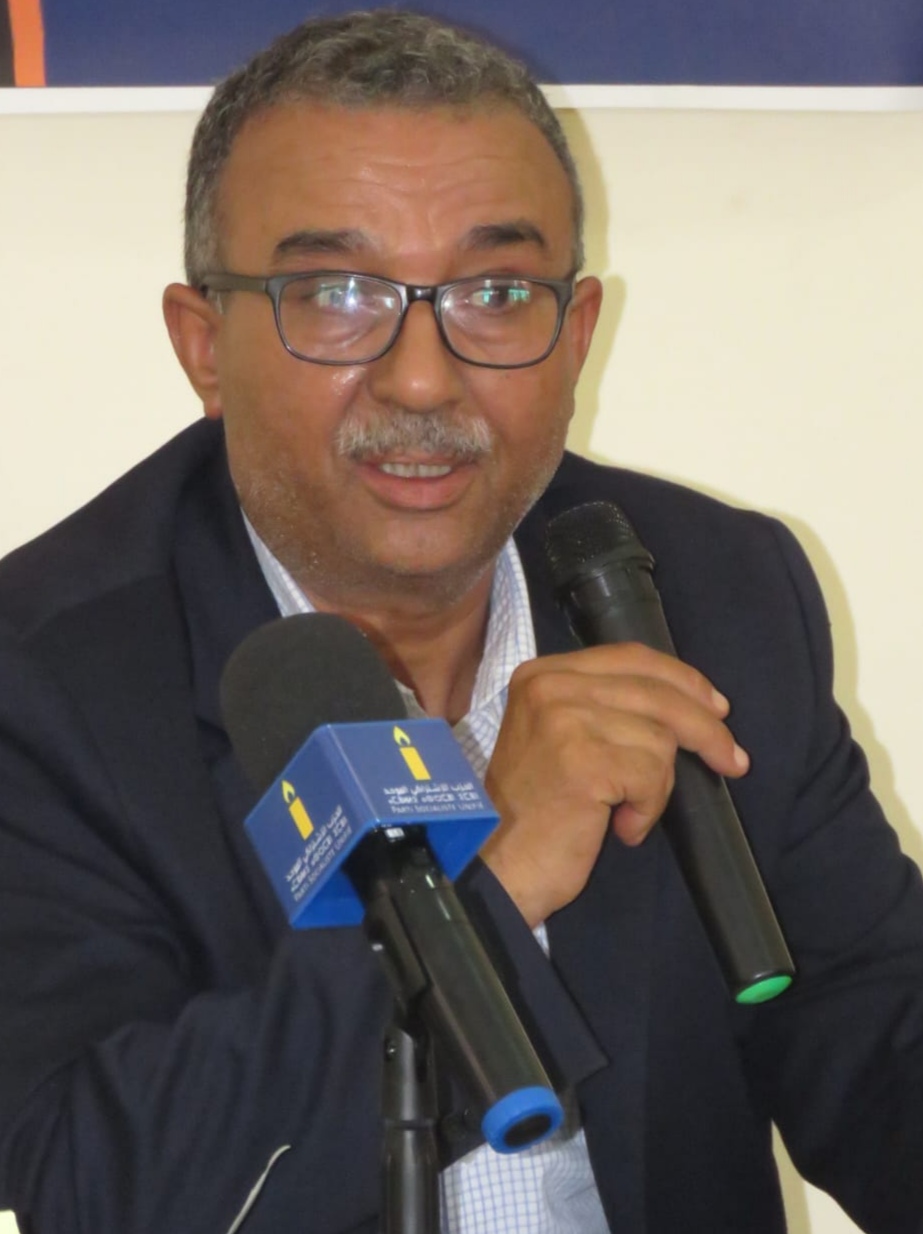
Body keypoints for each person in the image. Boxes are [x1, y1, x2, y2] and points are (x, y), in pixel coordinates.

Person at [0, 9, 921, 1233]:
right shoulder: (46, 681)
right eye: (336, 293)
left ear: (575, 334)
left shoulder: (711, 591)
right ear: (203, 344)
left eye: (493, 293)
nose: (423, 377)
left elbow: (874, 1037)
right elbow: (98, 1184)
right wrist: (486, 883)